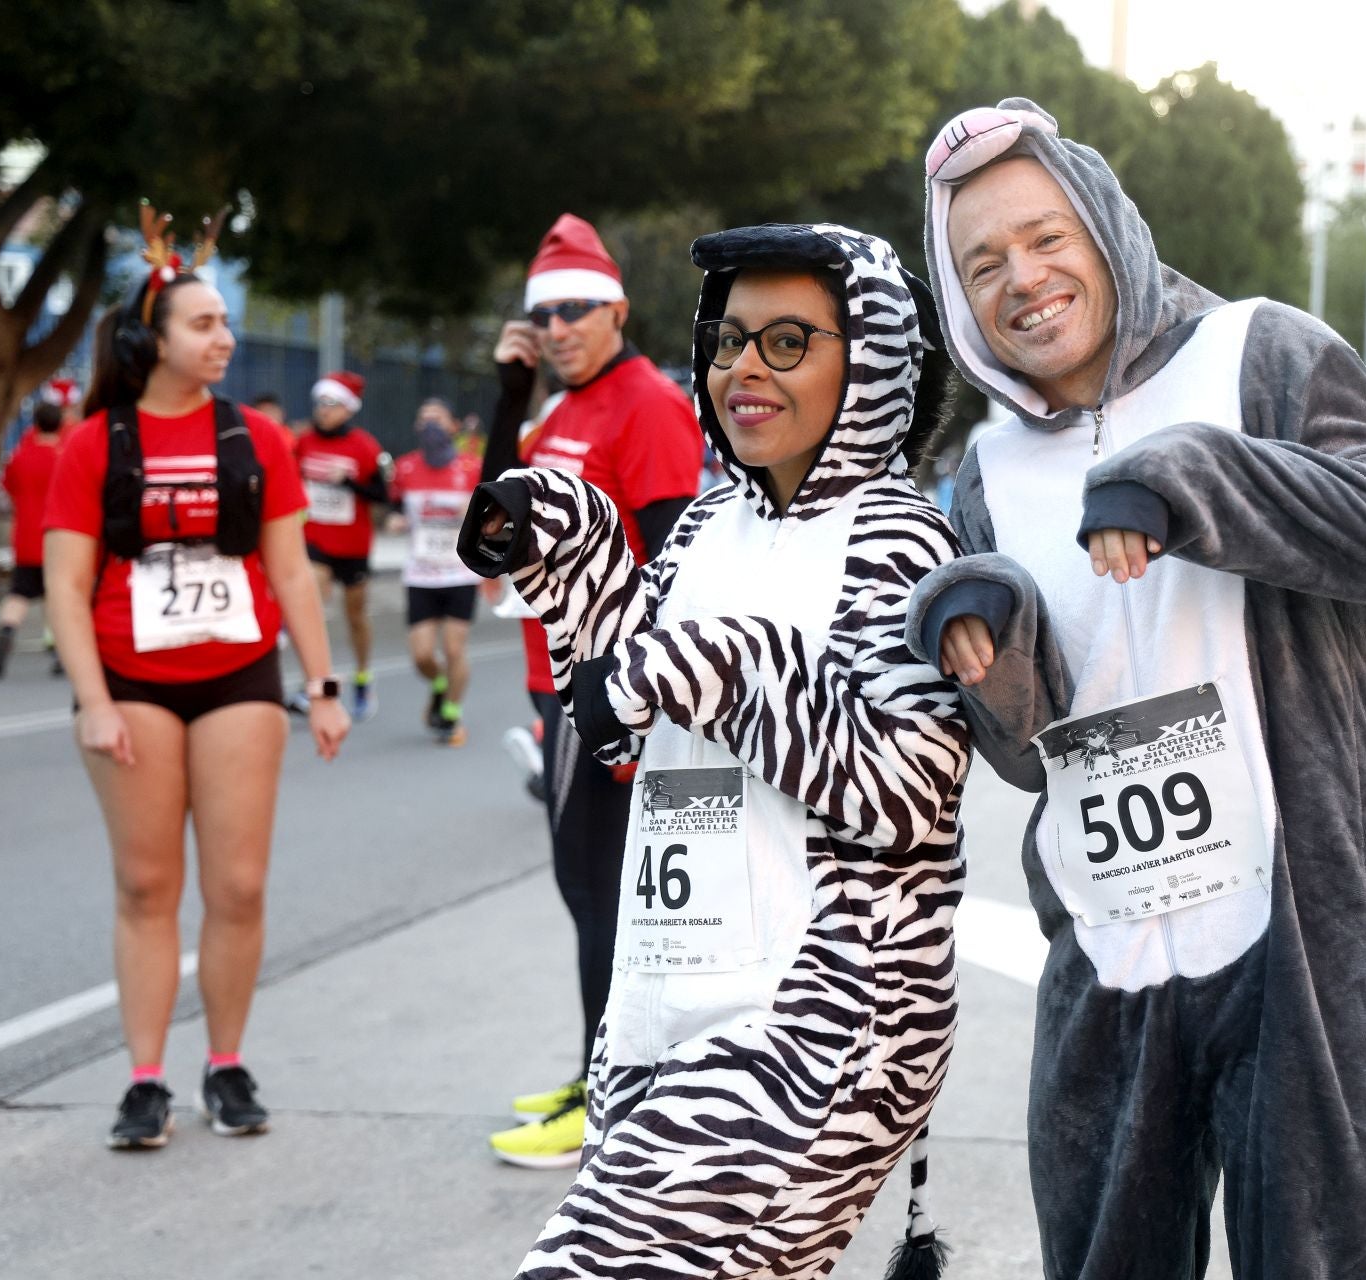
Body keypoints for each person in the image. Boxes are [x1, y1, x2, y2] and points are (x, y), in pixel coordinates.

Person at [907, 101, 1366, 1279]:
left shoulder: (1261, 353)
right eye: (985, 263)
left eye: (1048, 237)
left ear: (1106, 227)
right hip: (1107, 961)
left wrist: (1190, 476)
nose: (1026, 279)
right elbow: (1028, 751)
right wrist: (990, 661)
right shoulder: (987, 474)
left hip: (1302, 952)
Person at [462, 220, 967, 1280]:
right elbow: (639, 711)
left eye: (789, 342)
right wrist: (566, 543)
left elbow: (905, 784)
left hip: (821, 1015)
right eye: (731, 338)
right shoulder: (703, 528)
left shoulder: (900, 536)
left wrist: (722, 663)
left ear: (867, 359)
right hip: (665, 988)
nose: (745, 367)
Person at [43, 210, 350, 1150]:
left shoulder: (256, 437)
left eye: (225, 323)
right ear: (152, 342)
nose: (224, 337)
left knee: (240, 885)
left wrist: (324, 683)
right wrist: (94, 704)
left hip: (238, 676)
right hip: (130, 680)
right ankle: (144, 1079)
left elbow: (292, 571)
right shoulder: (95, 443)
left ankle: (225, 1062)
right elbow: (65, 579)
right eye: (204, 324)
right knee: (144, 886)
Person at [478, 214, 704, 1167]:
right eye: (544, 314)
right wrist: (509, 393)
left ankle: (610, 1105)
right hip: (554, 679)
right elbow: (491, 523)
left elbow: (674, 554)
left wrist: (631, 695)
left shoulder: (643, 403)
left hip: (605, 693)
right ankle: (599, 1074)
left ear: (618, 308)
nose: (560, 326)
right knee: (590, 896)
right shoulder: (561, 409)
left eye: (576, 309)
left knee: (606, 898)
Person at [290, 369, 385, 721]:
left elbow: (382, 495)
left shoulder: (364, 446)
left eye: (331, 404)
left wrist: (350, 483)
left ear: (347, 409)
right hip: (315, 539)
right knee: (311, 600)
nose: (323, 410)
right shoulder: (305, 442)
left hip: (353, 544)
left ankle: (362, 677)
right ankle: (316, 682)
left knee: (355, 615)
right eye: (320, 403)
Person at [392, 398, 482, 745]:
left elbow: (495, 520)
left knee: (455, 648)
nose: (429, 425)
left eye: (437, 419)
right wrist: (395, 520)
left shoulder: (471, 467)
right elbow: (394, 506)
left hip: (460, 573)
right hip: (420, 574)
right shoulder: (405, 468)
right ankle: (441, 683)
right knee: (422, 655)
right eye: (423, 418)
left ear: (453, 426)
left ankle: (450, 714)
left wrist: (473, 510)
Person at [0, 387, 75, 679]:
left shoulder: (21, 457)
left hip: (24, 538)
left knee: (19, 593)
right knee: (57, 596)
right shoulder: (64, 458)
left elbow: (8, 489)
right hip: (56, 537)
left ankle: (6, 634)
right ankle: (61, 651)